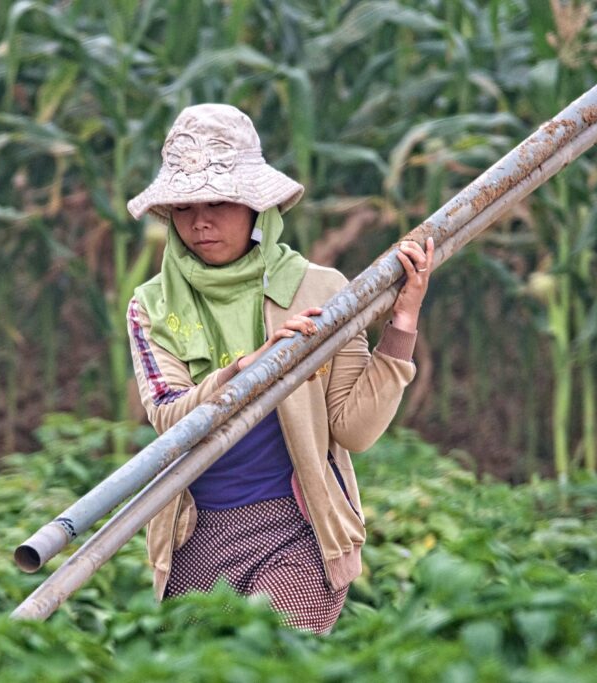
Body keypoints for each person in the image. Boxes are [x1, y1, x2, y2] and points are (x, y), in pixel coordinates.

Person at [126, 103, 433, 634]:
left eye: (219, 202)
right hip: (195, 536)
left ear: (256, 207)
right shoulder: (151, 307)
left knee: (276, 654)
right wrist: (245, 370)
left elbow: (354, 430)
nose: (200, 221)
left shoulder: (321, 291)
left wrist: (402, 325)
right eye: (184, 207)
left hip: (299, 529)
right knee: (204, 667)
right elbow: (170, 418)